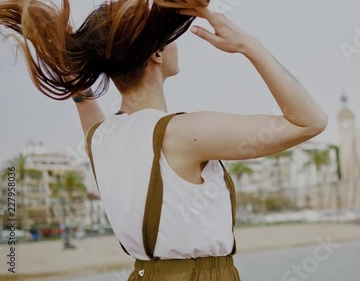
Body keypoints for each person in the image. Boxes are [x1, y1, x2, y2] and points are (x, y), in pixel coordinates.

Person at [0, 1, 328, 280]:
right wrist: (249, 46)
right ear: (156, 54)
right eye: (170, 39)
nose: (176, 43)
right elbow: (310, 122)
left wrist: (73, 67)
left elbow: (82, 97)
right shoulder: (181, 134)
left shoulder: (99, 138)